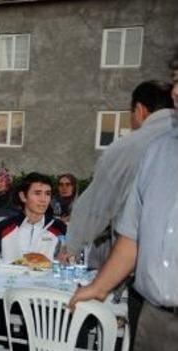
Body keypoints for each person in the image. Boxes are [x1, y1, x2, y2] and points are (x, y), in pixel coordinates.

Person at [69, 56, 178, 351]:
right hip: (154, 321)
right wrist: (99, 286)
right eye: (175, 80)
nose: (175, 92)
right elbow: (131, 235)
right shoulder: (158, 151)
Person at [64, 81, 175, 264]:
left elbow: (96, 208)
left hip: (138, 262)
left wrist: (70, 248)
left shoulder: (126, 148)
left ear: (140, 110)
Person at [0, 172, 67, 262]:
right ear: (23, 196)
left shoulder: (59, 227)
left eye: (47, 194)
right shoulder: (6, 226)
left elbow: (71, 257)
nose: (43, 199)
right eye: (37, 193)